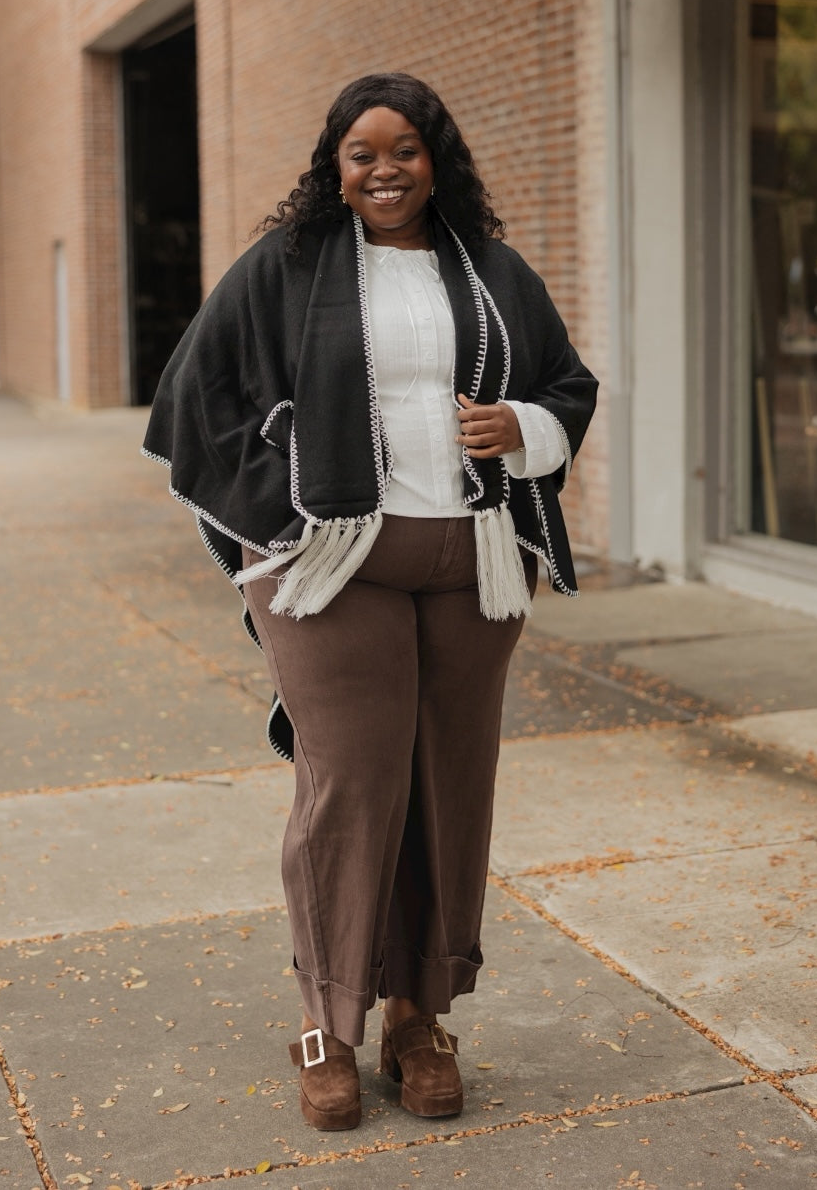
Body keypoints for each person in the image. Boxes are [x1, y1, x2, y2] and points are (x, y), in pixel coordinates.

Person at [143, 72, 597, 1133]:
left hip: (474, 557)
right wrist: (282, 507)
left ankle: (417, 1017)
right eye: (361, 154)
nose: (384, 170)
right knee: (349, 786)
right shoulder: (285, 268)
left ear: (436, 158)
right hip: (332, 565)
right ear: (333, 168)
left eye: (404, 150)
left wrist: (521, 426)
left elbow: (567, 385)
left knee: (449, 786)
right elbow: (193, 402)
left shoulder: (488, 271)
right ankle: (327, 1024)